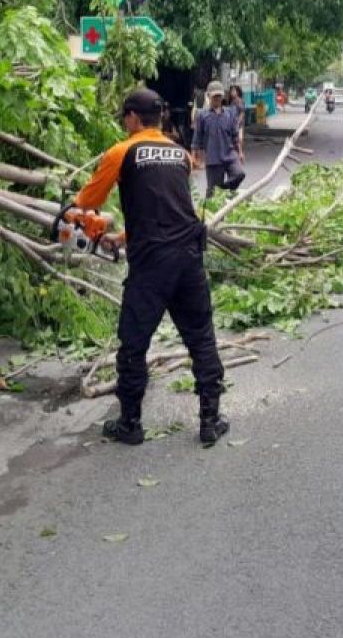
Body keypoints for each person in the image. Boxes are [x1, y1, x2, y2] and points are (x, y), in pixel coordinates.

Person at [75, 88, 230, 446]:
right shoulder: (180, 155)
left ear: (131, 117)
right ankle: (210, 420)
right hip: (188, 257)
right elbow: (171, 211)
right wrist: (125, 236)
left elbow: (86, 203)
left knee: (133, 343)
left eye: (124, 117)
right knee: (201, 338)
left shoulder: (121, 151)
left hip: (151, 265)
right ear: (159, 118)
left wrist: (86, 221)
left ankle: (130, 423)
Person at [192, 80, 246, 197]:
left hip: (229, 154)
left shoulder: (230, 113)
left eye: (219, 96)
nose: (217, 99)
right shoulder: (202, 115)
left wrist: (240, 152)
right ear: (209, 96)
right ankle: (211, 211)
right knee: (212, 196)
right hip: (213, 158)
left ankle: (222, 190)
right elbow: (197, 138)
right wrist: (195, 158)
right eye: (215, 96)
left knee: (239, 174)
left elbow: (235, 135)